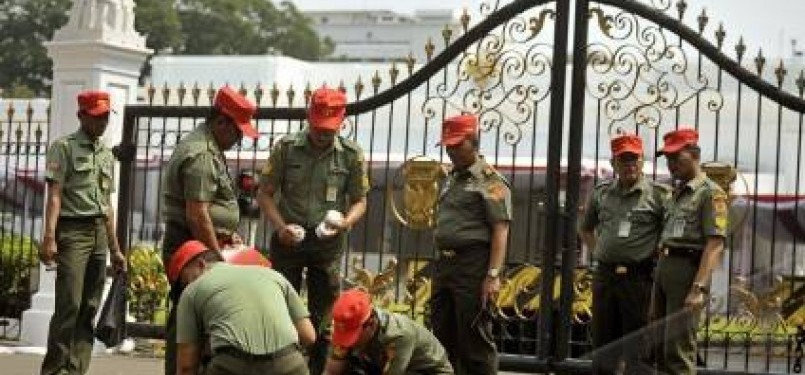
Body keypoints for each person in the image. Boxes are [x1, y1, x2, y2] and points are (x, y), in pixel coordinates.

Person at [257, 86, 369, 373]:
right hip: (288, 241)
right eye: (318, 127)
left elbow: (360, 201)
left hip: (327, 244)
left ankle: (320, 369)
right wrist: (280, 227)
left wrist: (346, 222)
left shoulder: (351, 155)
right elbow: (265, 194)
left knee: (325, 317)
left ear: (341, 123)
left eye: (329, 130)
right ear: (309, 118)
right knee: (279, 310)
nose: (323, 134)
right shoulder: (286, 148)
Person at [161, 86, 258, 375]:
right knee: (189, 324)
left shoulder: (207, 143)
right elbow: (197, 213)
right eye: (238, 131)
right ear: (221, 122)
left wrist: (227, 232)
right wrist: (217, 256)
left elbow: (210, 210)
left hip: (199, 242)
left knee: (199, 320)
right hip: (193, 246)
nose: (240, 138)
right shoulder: (202, 154)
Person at [39, 90, 127, 375]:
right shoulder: (63, 147)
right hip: (73, 232)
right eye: (97, 116)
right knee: (69, 306)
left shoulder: (105, 153)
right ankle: (54, 370)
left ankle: (76, 370)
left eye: (105, 116)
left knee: (89, 307)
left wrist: (115, 249)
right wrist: (49, 237)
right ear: (81, 115)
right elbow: (55, 196)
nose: (103, 122)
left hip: (99, 233)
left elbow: (107, 207)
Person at [579, 133, 669, 374]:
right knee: (603, 346)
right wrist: (600, 251)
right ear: (613, 164)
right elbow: (585, 228)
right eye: (624, 160)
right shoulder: (601, 193)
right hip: (605, 278)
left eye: (634, 159)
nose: (629, 165)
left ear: (642, 161)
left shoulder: (659, 195)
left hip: (639, 280)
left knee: (638, 349)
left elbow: (668, 234)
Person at [431, 114, 512, 375]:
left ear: (472, 141)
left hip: (473, 265)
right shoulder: (452, 177)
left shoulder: (489, 180)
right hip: (445, 264)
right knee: (442, 336)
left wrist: (493, 275)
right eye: (448, 145)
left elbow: (500, 229)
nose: (451, 150)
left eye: (457, 144)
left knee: (474, 339)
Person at [169, 240, 316, 375]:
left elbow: (186, 366)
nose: (185, 287)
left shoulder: (192, 291)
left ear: (201, 265)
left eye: (184, 281)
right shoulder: (274, 276)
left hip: (233, 367)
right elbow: (309, 336)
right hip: (289, 365)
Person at [651, 128, 727, 375]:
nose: (671, 164)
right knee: (659, 347)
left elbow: (715, 243)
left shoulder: (710, 192)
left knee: (678, 350)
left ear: (694, 154)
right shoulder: (677, 193)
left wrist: (698, 288)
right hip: (665, 269)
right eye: (668, 159)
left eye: (676, 157)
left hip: (686, 273)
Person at [322, 288, 454, 375]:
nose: (350, 342)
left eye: (353, 336)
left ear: (371, 324)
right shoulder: (347, 324)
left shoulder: (398, 336)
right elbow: (331, 371)